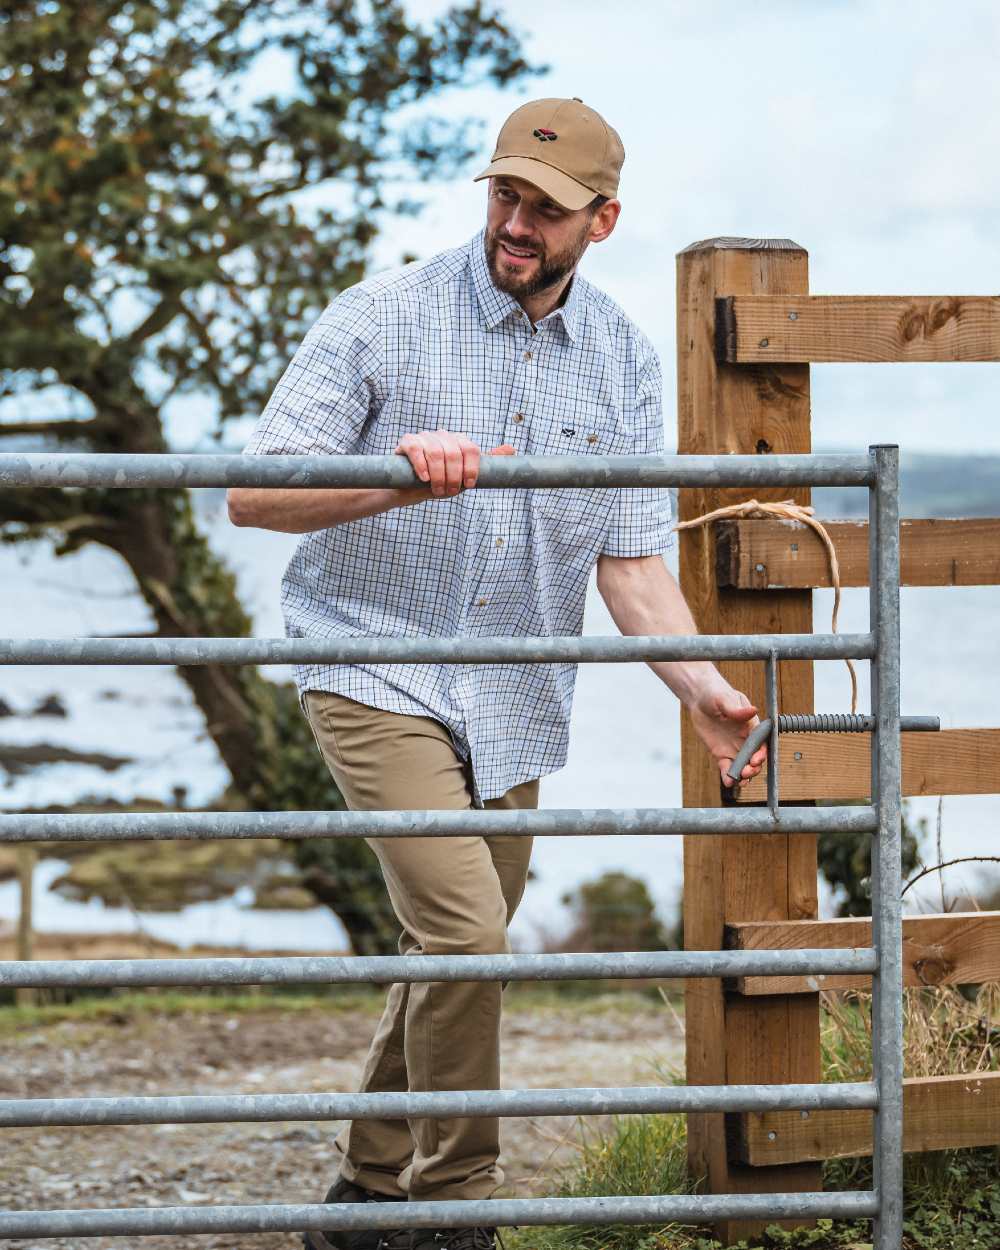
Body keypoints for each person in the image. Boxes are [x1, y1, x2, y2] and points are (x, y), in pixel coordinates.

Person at [229, 97, 766, 1250]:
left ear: (602, 219)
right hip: (371, 657)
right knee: (470, 938)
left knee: (449, 950)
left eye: (546, 208)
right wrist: (397, 477)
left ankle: (364, 1196)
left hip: (517, 693)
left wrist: (705, 691)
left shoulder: (620, 357)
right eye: (505, 195)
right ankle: (455, 1210)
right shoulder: (386, 316)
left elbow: (631, 568)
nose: (515, 223)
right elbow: (254, 489)